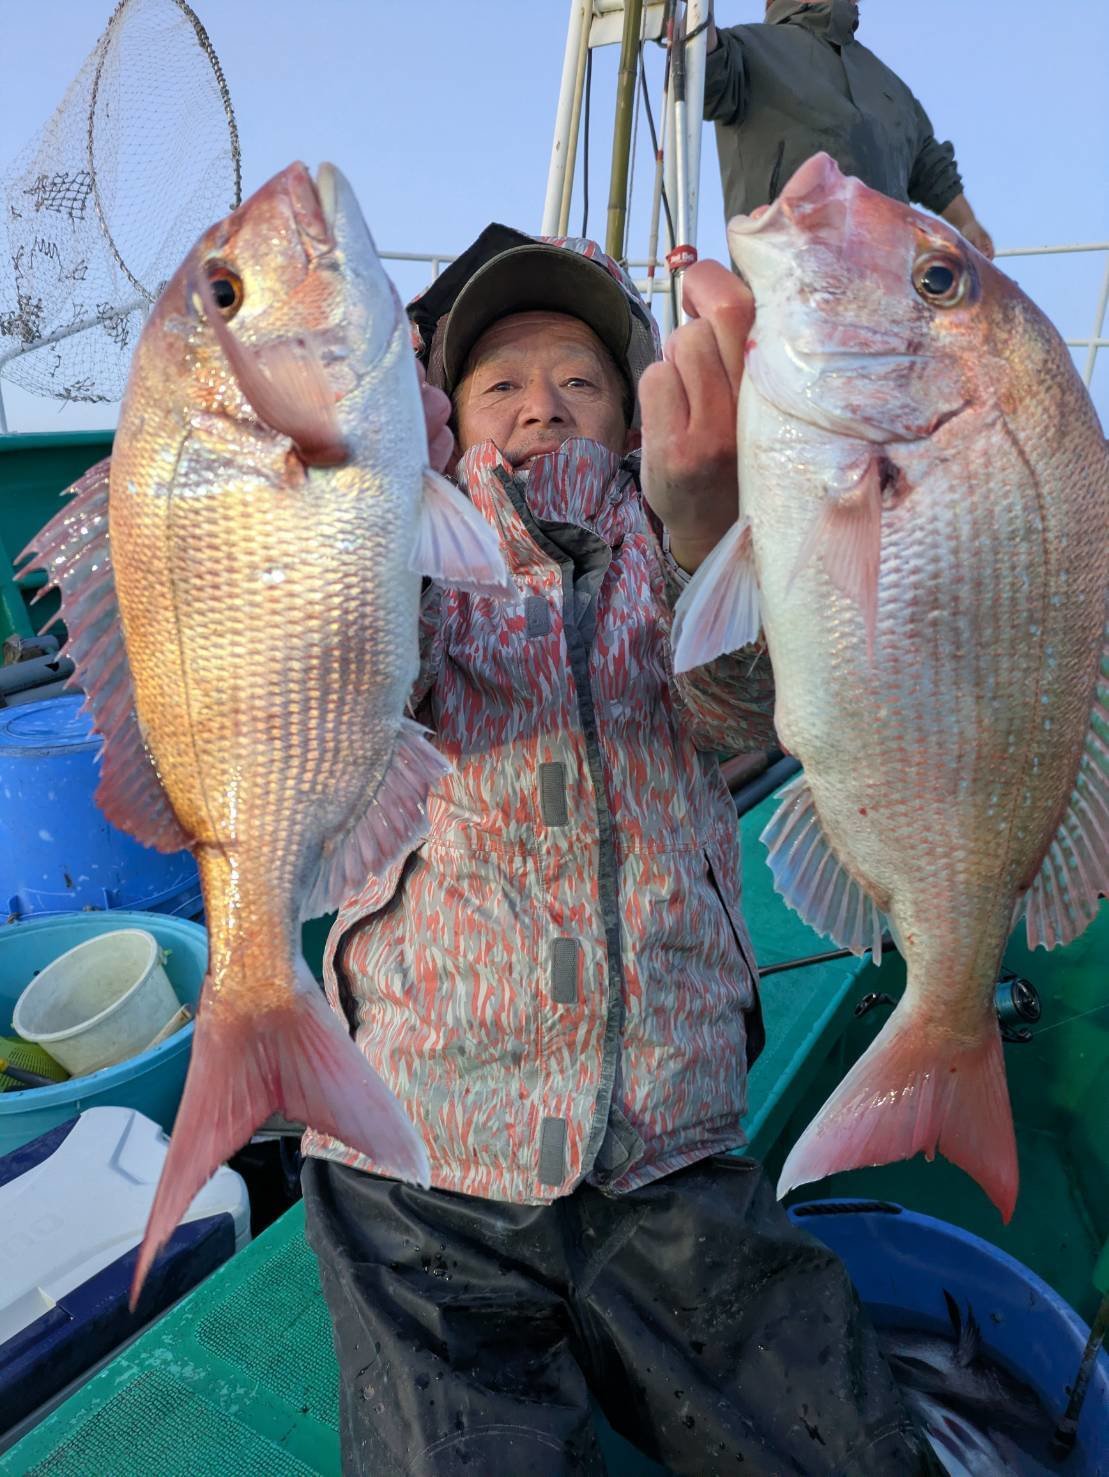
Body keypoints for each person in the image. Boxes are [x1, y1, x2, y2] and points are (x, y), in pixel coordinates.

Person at [300, 225, 941, 1475]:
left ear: (637, 415)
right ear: (444, 418)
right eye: (499, 383)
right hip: (422, 1158)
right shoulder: (410, 557)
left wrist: (703, 532)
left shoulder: (692, 547)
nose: (541, 404)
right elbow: (352, 692)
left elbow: (742, 712)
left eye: (580, 380)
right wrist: (366, 518)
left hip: (668, 1144)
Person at [703, 0, 995, 258]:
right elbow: (701, 59)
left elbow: (929, 164)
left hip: (889, 285)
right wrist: (693, 15)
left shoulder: (890, 85)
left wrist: (967, 222)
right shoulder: (744, 49)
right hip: (791, 286)